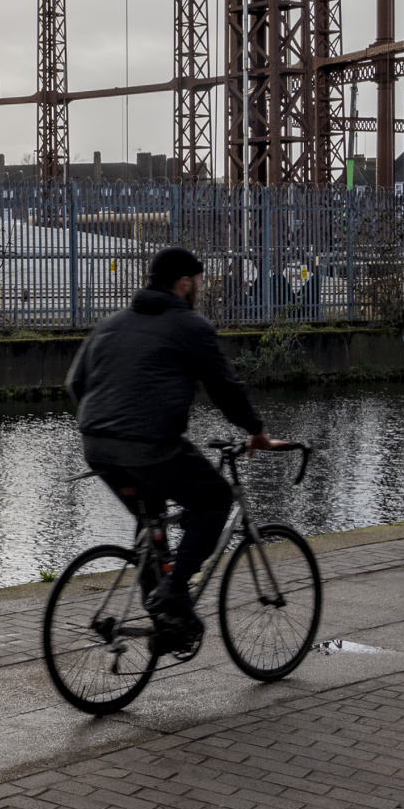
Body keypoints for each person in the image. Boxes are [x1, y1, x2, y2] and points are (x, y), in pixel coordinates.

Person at [66, 246, 282, 651]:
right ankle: (175, 593)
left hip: (97, 446)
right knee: (215, 499)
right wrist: (257, 430)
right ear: (184, 283)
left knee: (152, 527)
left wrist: (107, 425)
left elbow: (76, 385)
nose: (200, 289)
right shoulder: (190, 325)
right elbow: (224, 388)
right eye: (199, 282)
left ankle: (166, 624)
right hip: (150, 446)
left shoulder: (110, 324)